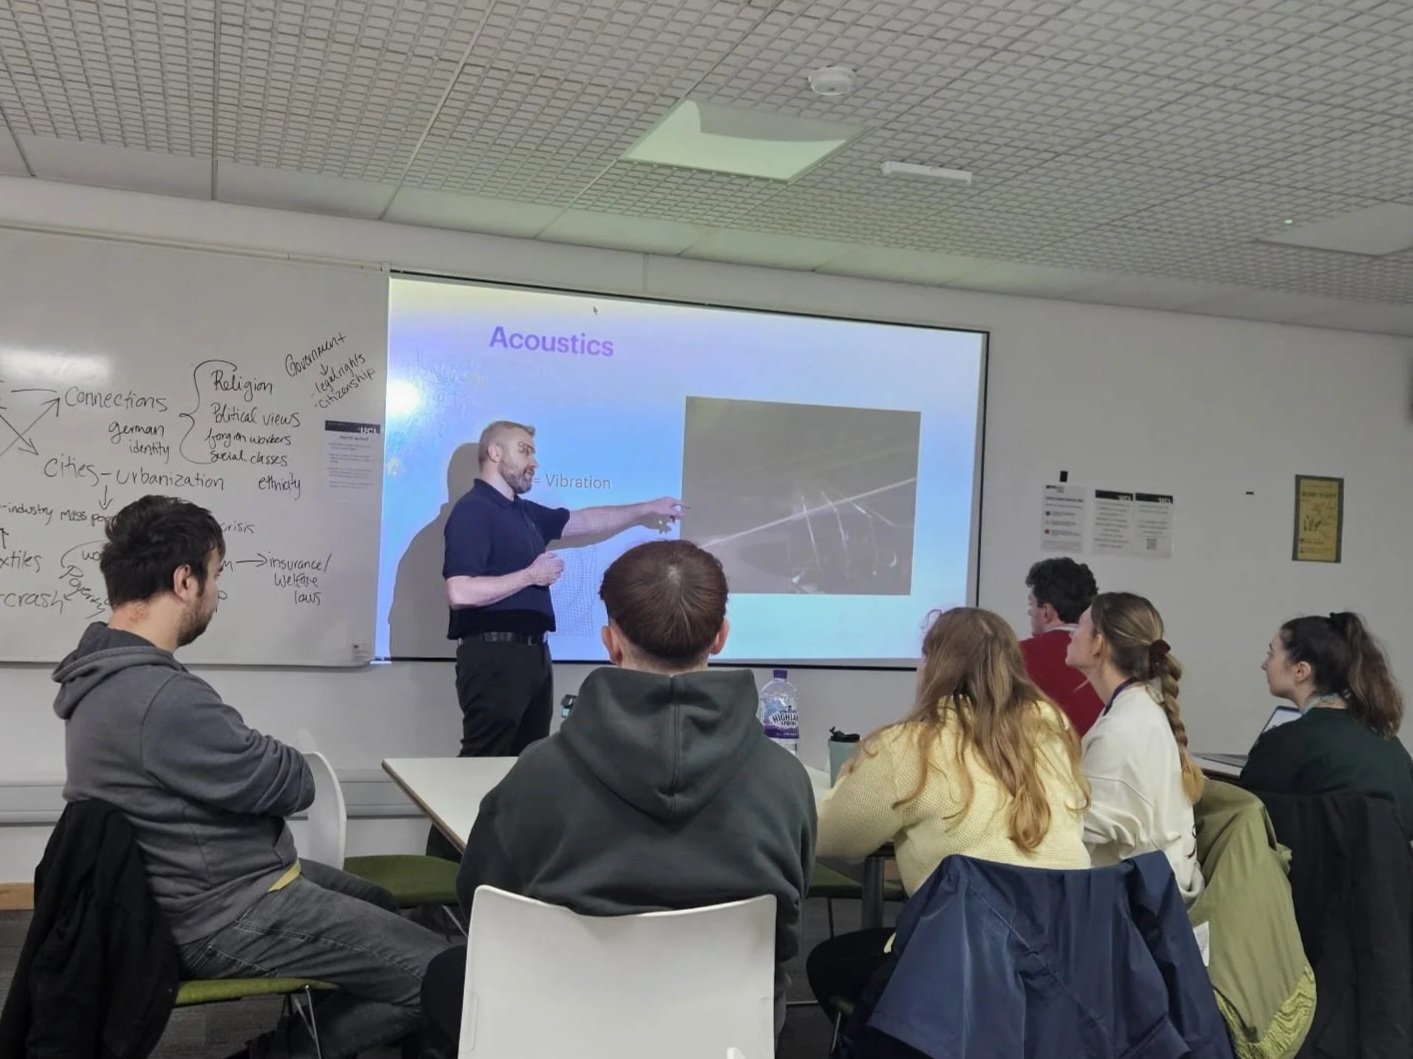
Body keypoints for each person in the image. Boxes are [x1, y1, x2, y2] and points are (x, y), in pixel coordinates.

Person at [54, 495, 446, 1059]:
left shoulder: (103, 676)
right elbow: (293, 783)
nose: (217, 593)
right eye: (216, 576)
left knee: (380, 901)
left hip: (209, 883)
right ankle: (283, 1050)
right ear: (184, 580)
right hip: (227, 911)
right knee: (444, 977)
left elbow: (248, 768)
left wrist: (252, 757)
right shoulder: (159, 697)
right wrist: (260, 754)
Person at [420, 539, 816, 1045]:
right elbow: (788, 923)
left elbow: (482, 905)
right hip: (725, 1037)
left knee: (445, 977)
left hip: (559, 1030)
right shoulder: (785, 782)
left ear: (611, 641)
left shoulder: (537, 775)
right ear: (720, 636)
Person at [807, 607, 1090, 1020]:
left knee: (829, 964)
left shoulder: (911, 746)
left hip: (961, 965)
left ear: (935, 665)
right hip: (1064, 964)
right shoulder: (1053, 734)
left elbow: (832, 836)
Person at [1066, 591, 1204, 903]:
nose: (1072, 635)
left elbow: (1080, 830)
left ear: (1099, 643)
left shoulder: (1123, 727)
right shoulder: (1138, 705)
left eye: (1080, 627)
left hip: (1135, 905)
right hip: (1150, 887)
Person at [1242, 612, 1413, 837]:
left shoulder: (1285, 742)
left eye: (1271, 654)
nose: (1264, 665)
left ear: (1300, 671)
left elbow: (1241, 814)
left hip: (1306, 871)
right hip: (1393, 871)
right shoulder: (1391, 745)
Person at [1020, 557, 1104, 735]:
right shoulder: (1111, 652)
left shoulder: (1021, 654)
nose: (1029, 611)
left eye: (1031, 604)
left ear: (1046, 611)